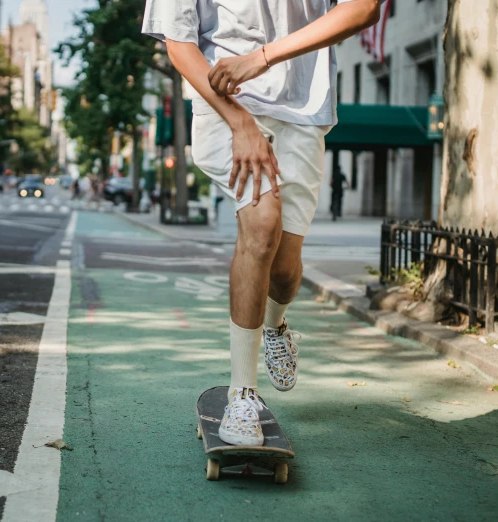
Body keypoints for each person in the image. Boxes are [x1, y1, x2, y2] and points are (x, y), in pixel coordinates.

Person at [142, 0, 381, 446]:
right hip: (225, 101)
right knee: (262, 225)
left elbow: (364, 9)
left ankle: (275, 327)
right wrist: (239, 123)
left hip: (303, 111)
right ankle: (243, 395)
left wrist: (264, 56)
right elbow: (179, 44)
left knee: (286, 273)